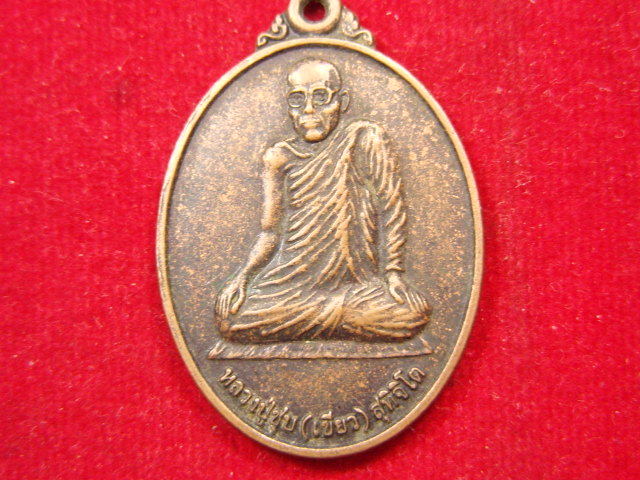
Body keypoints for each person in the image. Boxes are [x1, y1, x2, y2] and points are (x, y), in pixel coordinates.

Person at [214, 58, 430, 343]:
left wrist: (393, 274)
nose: (308, 109)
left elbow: (391, 207)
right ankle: (339, 319)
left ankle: (323, 317)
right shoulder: (278, 157)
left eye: (320, 97)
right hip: (291, 286)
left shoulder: (364, 138)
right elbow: (270, 232)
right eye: (297, 99)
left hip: (356, 287)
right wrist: (242, 278)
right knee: (229, 320)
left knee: (413, 314)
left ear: (342, 101)